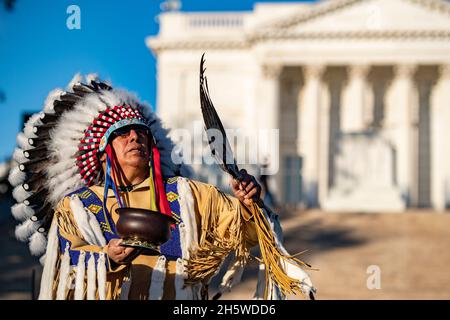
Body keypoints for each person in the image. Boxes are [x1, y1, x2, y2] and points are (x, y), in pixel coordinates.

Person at [9, 75, 315, 300]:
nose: (135, 138)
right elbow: (62, 265)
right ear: (101, 152)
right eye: (124, 134)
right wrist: (107, 258)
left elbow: (243, 235)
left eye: (141, 133)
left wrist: (249, 204)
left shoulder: (189, 195)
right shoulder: (78, 208)